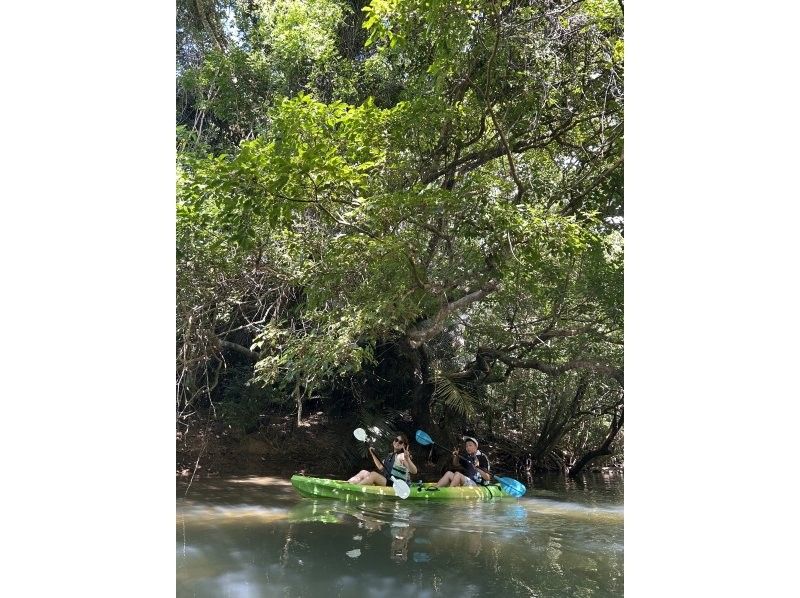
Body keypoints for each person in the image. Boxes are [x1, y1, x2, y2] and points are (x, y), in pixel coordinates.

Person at [347, 432, 417, 486]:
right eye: (396, 440)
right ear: (393, 441)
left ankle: (356, 489)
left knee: (374, 475)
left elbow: (414, 471)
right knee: (364, 472)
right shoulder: (390, 455)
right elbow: (380, 467)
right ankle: (348, 484)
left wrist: (407, 459)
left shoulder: (401, 456)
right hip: (388, 481)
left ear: (403, 445)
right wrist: (372, 454)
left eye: (400, 442)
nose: (397, 442)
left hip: (397, 484)